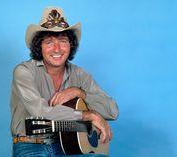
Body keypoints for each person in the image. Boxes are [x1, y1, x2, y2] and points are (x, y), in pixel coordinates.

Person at [10, 6, 119, 157]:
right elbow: (40, 111)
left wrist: (79, 92)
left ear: (70, 45)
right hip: (30, 144)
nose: (57, 49)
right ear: (39, 46)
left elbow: (112, 111)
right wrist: (90, 116)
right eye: (49, 42)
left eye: (63, 41)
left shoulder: (81, 75)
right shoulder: (24, 71)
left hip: (69, 145)